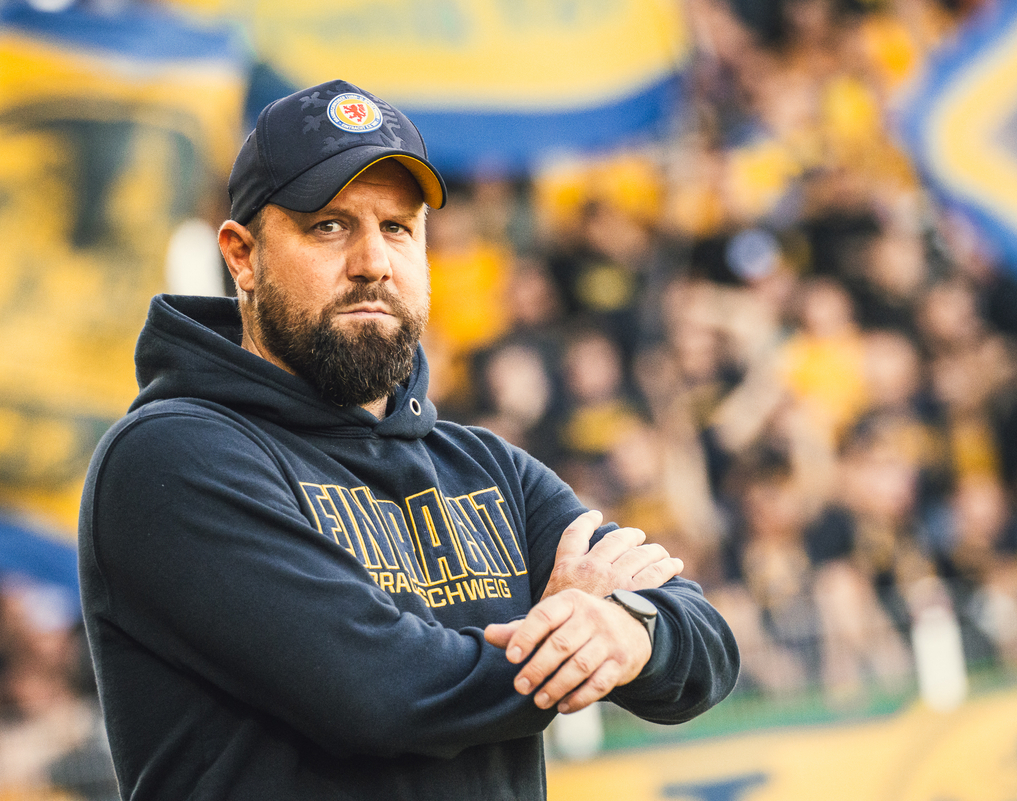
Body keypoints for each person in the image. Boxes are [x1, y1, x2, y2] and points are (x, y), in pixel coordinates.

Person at [78, 79, 739, 801]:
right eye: (330, 226)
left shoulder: (486, 467)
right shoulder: (171, 457)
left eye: (397, 227)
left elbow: (705, 639)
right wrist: (567, 635)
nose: (373, 261)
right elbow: (380, 691)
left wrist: (627, 627)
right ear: (242, 256)